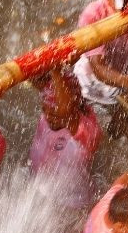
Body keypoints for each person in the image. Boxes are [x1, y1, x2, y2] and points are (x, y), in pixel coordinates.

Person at [28, 66, 102, 211]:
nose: (49, 118)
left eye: (55, 113)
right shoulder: (47, 118)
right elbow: (34, 80)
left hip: (70, 205)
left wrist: (55, 71)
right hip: (40, 191)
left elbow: (66, 110)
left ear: (75, 106)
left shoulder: (85, 130)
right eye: (45, 109)